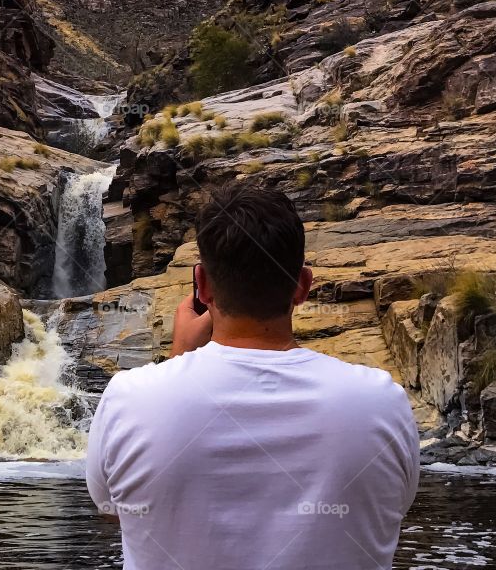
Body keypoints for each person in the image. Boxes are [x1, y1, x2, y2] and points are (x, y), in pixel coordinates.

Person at [86, 182, 419, 570]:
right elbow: (393, 504)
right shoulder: (383, 403)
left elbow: (118, 510)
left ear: (203, 285)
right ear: (303, 285)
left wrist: (179, 358)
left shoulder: (130, 397)